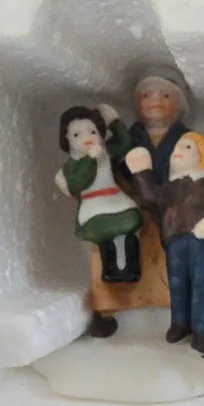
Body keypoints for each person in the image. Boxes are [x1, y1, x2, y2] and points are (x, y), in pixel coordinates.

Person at [127, 133, 204, 358]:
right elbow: (150, 199)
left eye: (187, 147)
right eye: (176, 148)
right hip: (174, 242)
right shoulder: (169, 188)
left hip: (202, 241)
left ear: (202, 155)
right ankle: (180, 323)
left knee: (203, 284)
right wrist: (141, 172)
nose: (177, 152)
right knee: (177, 284)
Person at [55, 104, 142, 285]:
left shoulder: (106, 152)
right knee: (104, 231)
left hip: (115, 199)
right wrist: (89, 159)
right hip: (93, 207)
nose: (87, 138)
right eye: (77, 135)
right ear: (67, 138)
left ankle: (130, 268)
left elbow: (124, 143)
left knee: (130, 222)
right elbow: (78, 184)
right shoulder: (71, 166)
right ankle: (110, 269)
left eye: (92, 132)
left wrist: (114, 122)